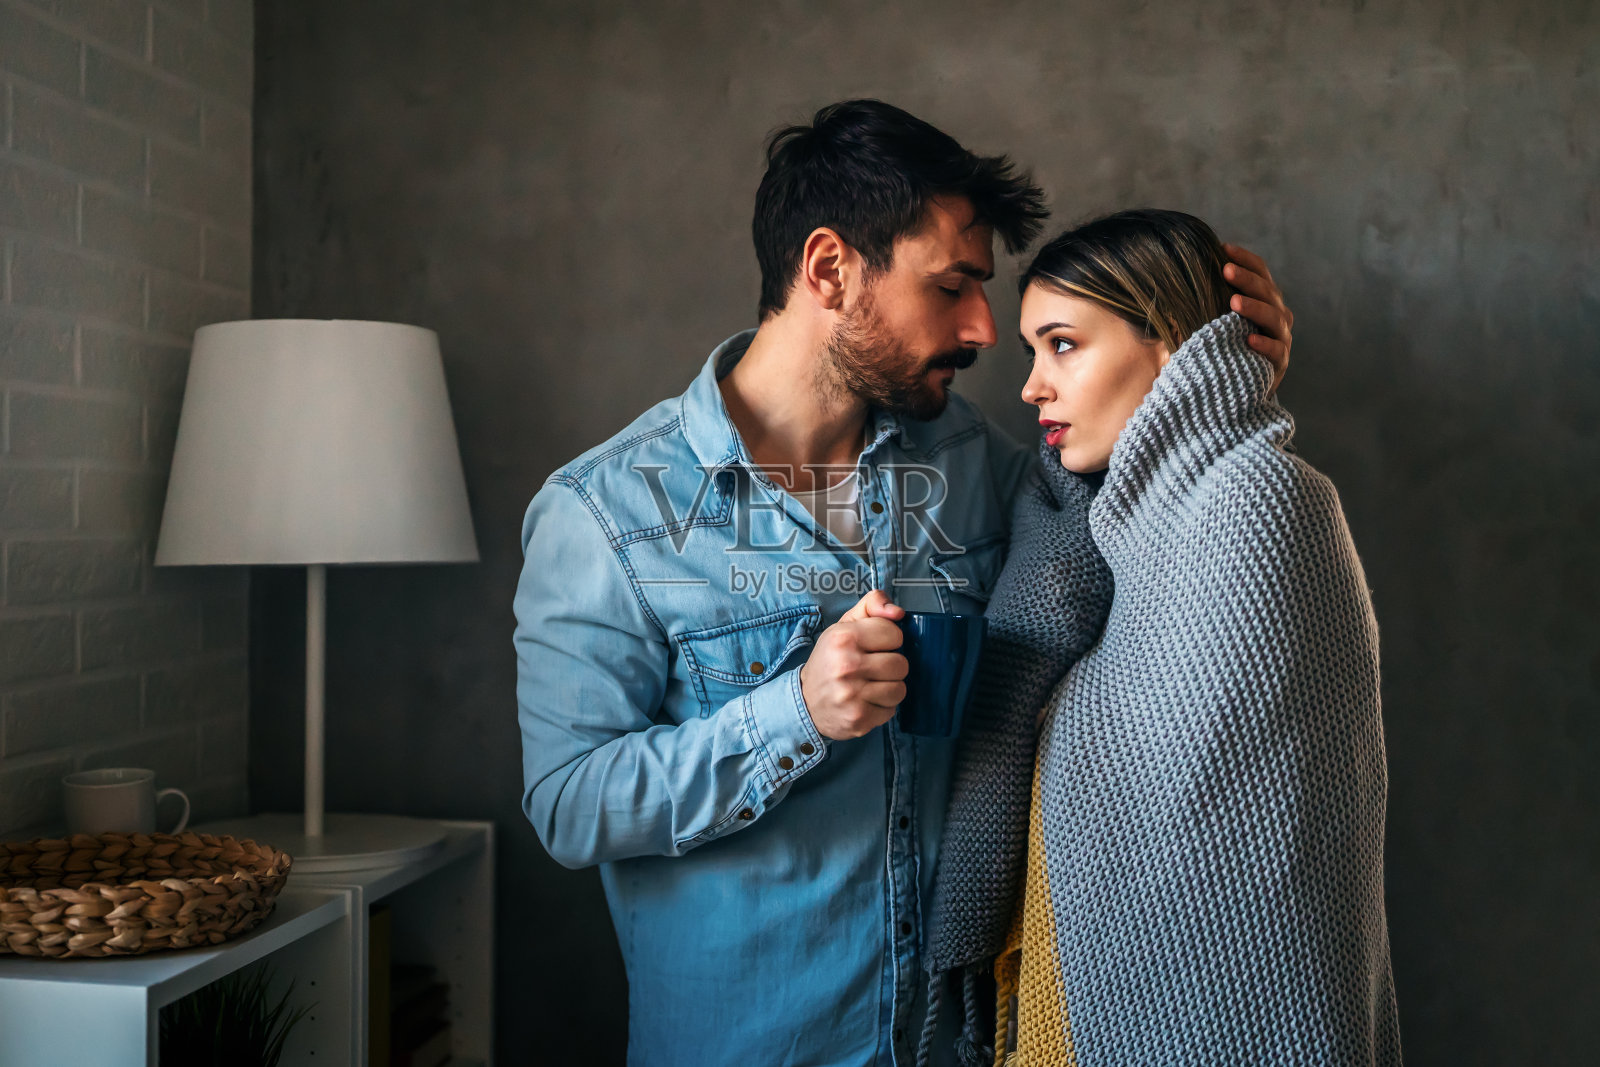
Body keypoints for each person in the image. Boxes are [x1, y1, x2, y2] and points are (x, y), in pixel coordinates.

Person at [513, 103, 1294, 1066]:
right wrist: (795, 712)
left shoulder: (980, 465)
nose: (981, 329)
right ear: (830, 268)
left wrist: (1217, 378)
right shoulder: (603, 511)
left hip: (958, 1044)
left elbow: (1146, 521)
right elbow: (569, 804)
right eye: (953, 286)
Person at [923, 210, 1398, 1066]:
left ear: (1175, 341)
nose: (1031, 385)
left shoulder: (1261, 502)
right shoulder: (1098, 524)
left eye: (1062, 344)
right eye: (1034, 352)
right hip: (1061, 1001)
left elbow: (1237, 829)